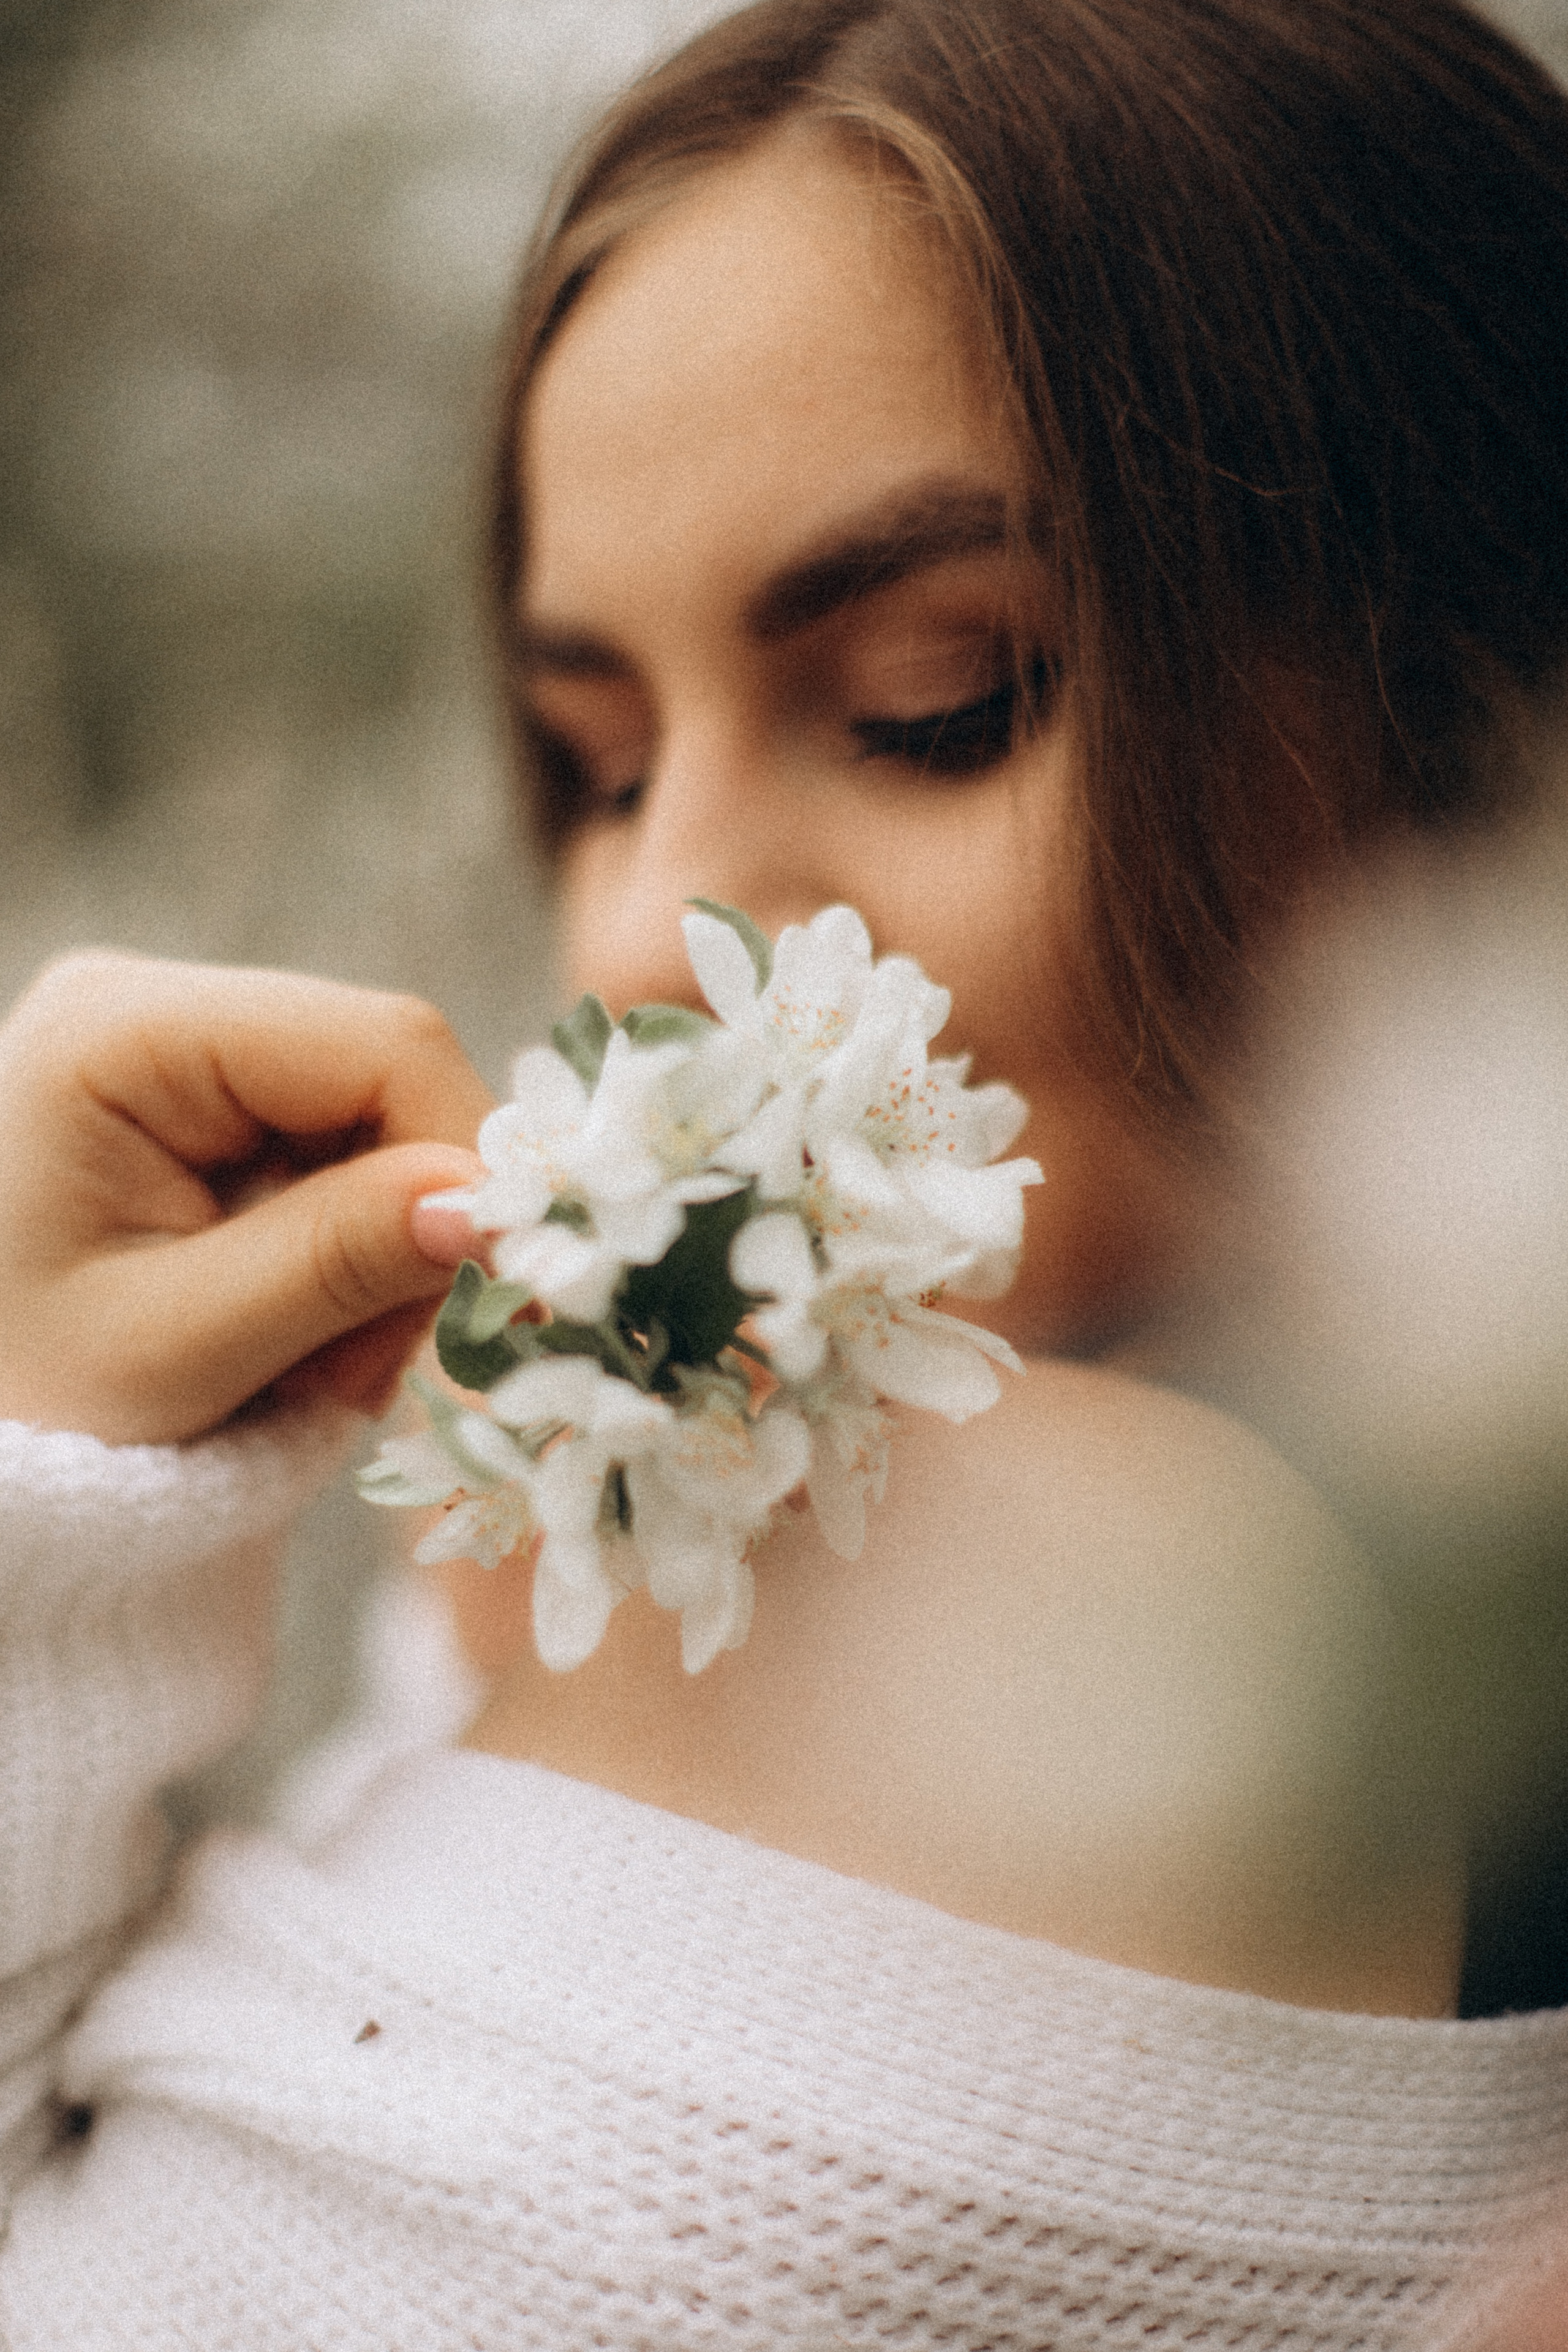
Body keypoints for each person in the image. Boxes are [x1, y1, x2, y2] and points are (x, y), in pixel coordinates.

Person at [1, 0, 1566, 2342]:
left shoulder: (968, 1563)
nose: (644, 935)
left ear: (1478, 681)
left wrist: (49, 1530)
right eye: (597, 761)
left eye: (944, 694)